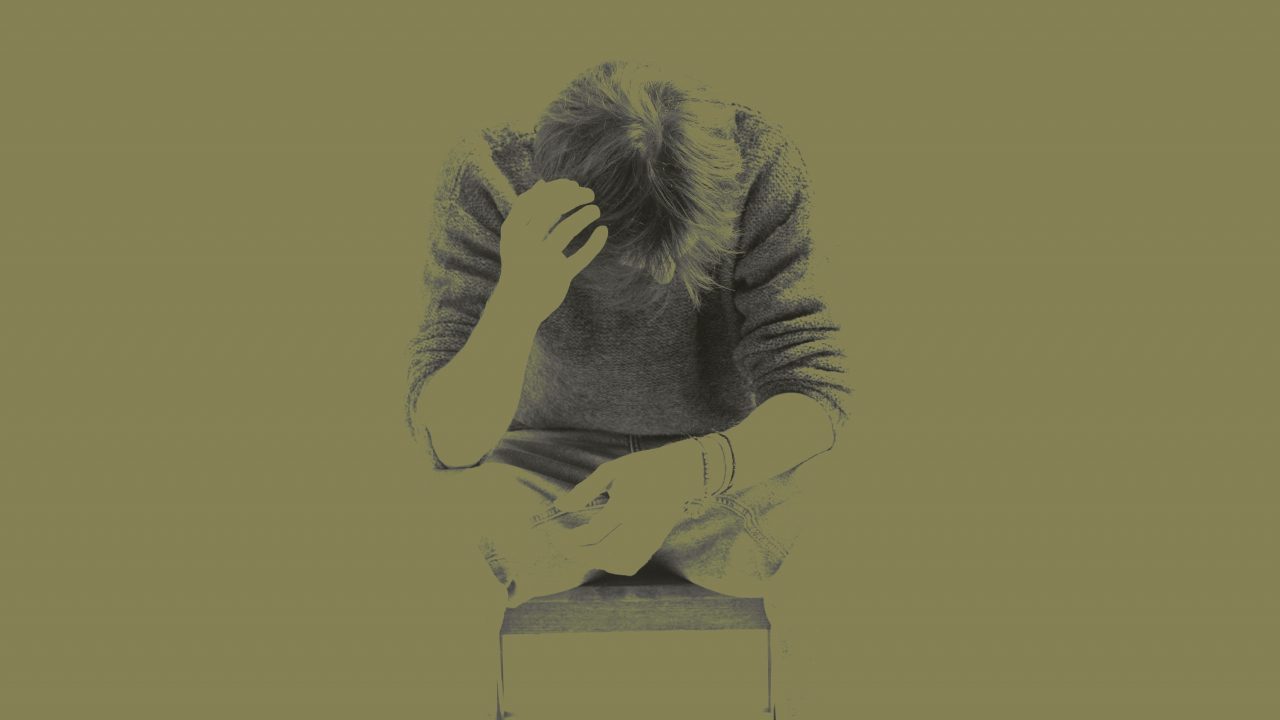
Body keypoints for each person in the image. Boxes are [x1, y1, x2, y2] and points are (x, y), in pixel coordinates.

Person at [405, 60, 851, 719]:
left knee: (856, 552)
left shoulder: (757, 162)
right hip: (543, 474)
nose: (659, 282)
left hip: (726, 467)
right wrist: (518, 299)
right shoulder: (490, 172)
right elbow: (449, 440)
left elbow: (816, 391)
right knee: (419, 554)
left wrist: (691, 471)